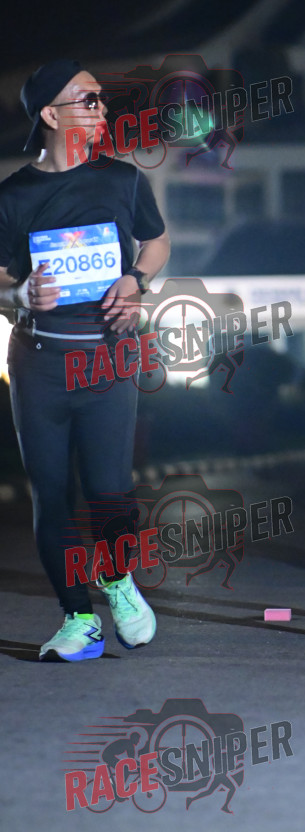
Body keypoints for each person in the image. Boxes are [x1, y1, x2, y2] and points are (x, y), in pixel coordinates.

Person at [0, 60, 170, 660]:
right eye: (88, 99)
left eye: (102, 99)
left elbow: (156, 241)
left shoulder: (122, 180)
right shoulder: (13, 195)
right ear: (51, 114)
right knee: (50, 494)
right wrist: (19, 293)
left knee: (108, 491)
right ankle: (78, 618)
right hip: (40, 362)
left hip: (106, 358)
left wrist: (136, 281)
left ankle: (118, 582)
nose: (102, 109)